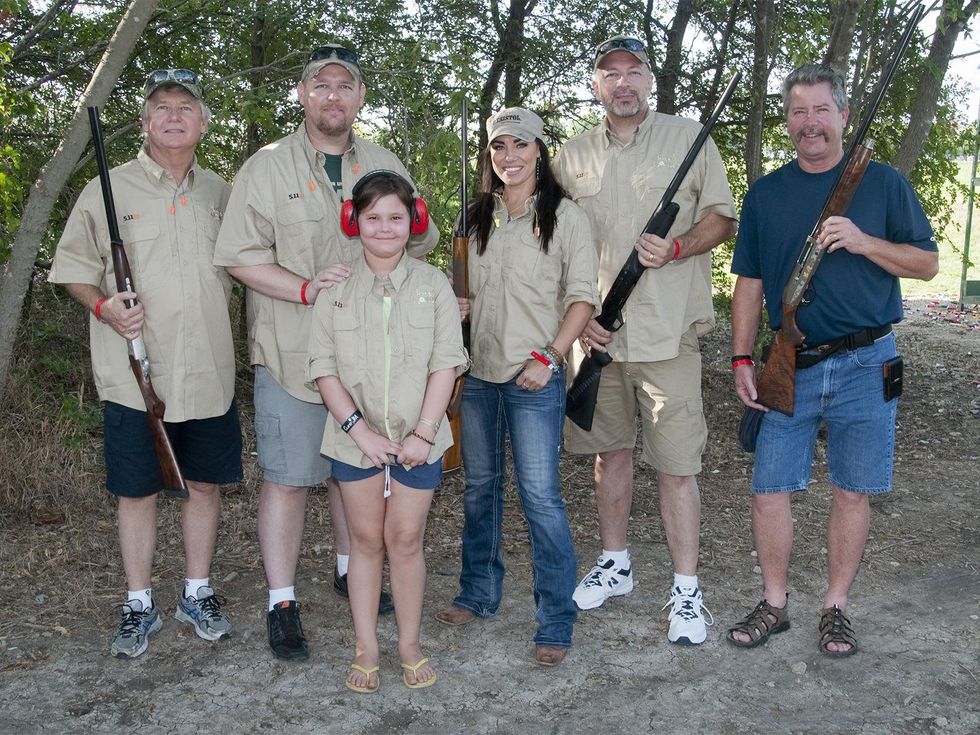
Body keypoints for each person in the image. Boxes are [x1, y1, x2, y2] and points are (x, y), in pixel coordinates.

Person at [213, 44, 437, 661]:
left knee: (353, 470)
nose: (333, 95)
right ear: (302, 95)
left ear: (361, 97)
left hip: (373, 359)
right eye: (321, 85)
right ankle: (281, 601)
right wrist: (307, 288)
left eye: (345, 85)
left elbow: (415, 236)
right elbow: (237, 256)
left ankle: (349, 569)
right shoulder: (265, 167)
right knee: (287, 478)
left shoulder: (385, 160)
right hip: (291, 349)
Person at [728, 63, 937, 656]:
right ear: (787, 121)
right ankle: (775, 603)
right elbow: (749, 282)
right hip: (790, 362)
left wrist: (863, 241)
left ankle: (836, 607)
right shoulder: (767, 193)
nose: (810, 123)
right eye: (798, 112)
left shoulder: (884, 184)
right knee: (769, 489)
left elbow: (926, 265)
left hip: (868, 363)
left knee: (852, 490)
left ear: (843, 115)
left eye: (822, 110)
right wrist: (743, 356)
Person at [49, 70, 242, 658]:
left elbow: (254, 266)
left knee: (204, 485)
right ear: (145, 122)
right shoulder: (107, 189)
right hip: (135, 379)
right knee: (137, 493)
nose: (175, 116)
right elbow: (74, 270)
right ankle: (139, 604)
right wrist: (105, 306)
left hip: (208, 372)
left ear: (203, 123)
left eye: (187, 107)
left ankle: (197, 591)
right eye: (163, 108)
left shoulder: (221, 193)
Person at [553, 36, 737, 645]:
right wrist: (577, 321)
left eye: (634, 72)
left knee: (678, 467)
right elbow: (552, 250)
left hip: (668, 335)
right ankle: (616, 564)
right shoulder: (569, 157)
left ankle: (687, 590)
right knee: (611, 456)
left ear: (650, 81)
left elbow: (721, 217)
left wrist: (679, 246)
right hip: (597, 339)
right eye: (611, 74)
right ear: (595, 85)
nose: (623, 83)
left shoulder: (690, 139)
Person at [434, 107, 600, 667]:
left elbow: (581, 299)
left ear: (539, 151)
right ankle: (477, 593)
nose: (510, 156)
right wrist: (459, 306)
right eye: (498, 146)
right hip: (479, 375)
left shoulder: (565, 217)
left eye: (520, 145)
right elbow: (471, 298)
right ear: (489, 155)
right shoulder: (475, 218)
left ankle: (555, 617)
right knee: (480, 490)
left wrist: (551, 357)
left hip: (534, 376)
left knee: (541, 498)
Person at [308, 170, 467, 692]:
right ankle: (366, 647)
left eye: (395, 217)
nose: (384, 227)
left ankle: (408, 644)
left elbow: (447, 362)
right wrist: (360, 432)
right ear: (353, 221)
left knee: (404, 538)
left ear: (413, 220)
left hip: (418, 440)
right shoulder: (334, 289)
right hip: (354, 441)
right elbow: (324, 367)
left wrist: (424, 433)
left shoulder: (434, 285)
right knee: (364, 541)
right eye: (372, 217)